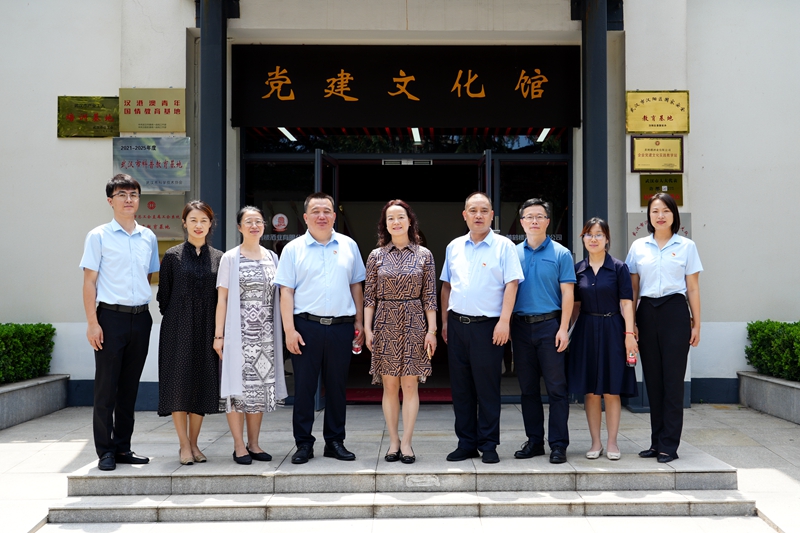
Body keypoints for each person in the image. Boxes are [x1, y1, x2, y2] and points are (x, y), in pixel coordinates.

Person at [275, 192, 366, 464]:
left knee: (337, 387)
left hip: (341, 326)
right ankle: (303, 443)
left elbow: (356, 286)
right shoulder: (293, 249)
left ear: (334, 216)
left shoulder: (349, 245)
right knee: (304, 388)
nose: (321, 216)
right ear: (305, 217)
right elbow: (286, 292)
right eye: (315, 211)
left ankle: (335, 442)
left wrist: (359, 321)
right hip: (306, 326)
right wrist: (289, 330)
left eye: (327, 211)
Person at [80, 174, 160, 471]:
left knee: (129, 388)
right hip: (109, 319)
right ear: (110, 200)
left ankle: (123, 447)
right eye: (122, 194)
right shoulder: (98, 236)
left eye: (133, 194)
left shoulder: (148, 237)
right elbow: (89, 282)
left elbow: (147, 276)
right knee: (106, 388)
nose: (129, 199)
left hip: (140, 319)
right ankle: (105, 451)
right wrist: (92, 322)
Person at [440, 192, 523, 464]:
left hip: (489, 327)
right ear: (464, 215)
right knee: (461, 389)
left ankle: (488, 444)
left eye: (484, 210)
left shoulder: (504, 246)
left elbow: (512, 284)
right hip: (457, 325)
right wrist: (444, 322)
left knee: (487, 388)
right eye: (473, 210)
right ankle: (466, 443)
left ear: (492, 215)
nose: (478, 215)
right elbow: (447, 286)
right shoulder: (454, 246)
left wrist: (504, 321)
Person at [626, 192, 702, 463]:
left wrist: (697, 323)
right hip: (647, 312)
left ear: (674, 215)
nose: (660, 216)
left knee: (673, 381)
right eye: (655, 211)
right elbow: (633, 288)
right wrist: (631, 323)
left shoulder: (687, 246)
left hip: (675, 311)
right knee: (653, 381)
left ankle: (669, 445)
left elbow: (693, 288)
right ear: (648, 216)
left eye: (666, 211)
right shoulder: (638, 247)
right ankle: (656, 442)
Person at [364, 200, 437, 464]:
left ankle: (407, 443)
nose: (396, 222)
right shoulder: (376, 256)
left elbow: (430, 295)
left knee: (409, 385)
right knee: (390, 385)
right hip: (385, 321)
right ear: (385, 225)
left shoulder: (424, 255)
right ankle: (393, 441)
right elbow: (369, 296)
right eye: (390, 218)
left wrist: (432, 330)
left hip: (415, 321)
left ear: (410, 221)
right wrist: (367, 328)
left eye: (401, 217)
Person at [213, 206, 288, 465]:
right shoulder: (230, 258)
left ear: (264, 226)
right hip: (238, 336)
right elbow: (222, 299)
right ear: (239, 227)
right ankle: (238, 445)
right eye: (248, 222)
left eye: (258, 221)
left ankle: (254, 444)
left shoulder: (272, 257)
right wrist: (219, 335)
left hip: (265, 338)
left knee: (259, 391)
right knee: (237, 391)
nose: (254, 226)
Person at [157, 201, 223, 465]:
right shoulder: (172, 256)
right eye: (193, 220)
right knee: (179, 384)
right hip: (177, 328)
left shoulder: (219, 258)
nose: (198, 225)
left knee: (201, 384)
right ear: (184, 223)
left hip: (208, 328)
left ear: (210, 224)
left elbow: (221, 297)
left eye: (204, 220)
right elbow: (163, 298)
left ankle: (195, 443)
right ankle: (184, 445)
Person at [511, 198, 575, 464]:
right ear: (522, 222)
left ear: (548, 221)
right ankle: (535, 441)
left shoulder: (561, 253)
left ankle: (558, 445)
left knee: (557, 389)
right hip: (520, 327)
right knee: (528, 389)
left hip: (551, 326)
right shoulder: (512, 253)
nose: (534, 221)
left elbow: (568, 293)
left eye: (539, 216)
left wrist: (564, 329)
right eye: (529, 216)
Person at [568, 217, 638, 461]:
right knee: (590, 391)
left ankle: (612, 442)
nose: (593, 239)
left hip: (613, 329)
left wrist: (629, 335)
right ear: (583, 239)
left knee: (612, 390)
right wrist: (567, 332)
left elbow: (627, 303)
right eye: (589, 234)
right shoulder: (578, 269)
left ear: (607, 239)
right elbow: (575, 306)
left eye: (599, 234)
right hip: (586, 330)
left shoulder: (619, 268)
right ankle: (595, 442)